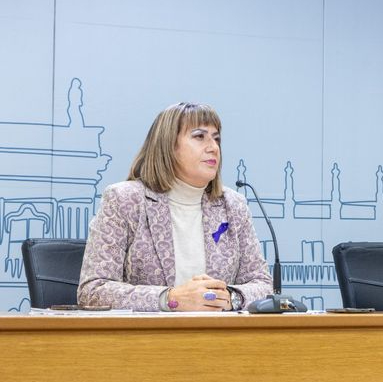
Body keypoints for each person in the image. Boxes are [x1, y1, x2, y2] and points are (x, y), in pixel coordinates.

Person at [78, 102, 272, 311]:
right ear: (168, 145)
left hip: (220, 338)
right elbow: (93, 291)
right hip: (147, 339)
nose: (213, 147)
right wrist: (171, 299)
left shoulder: (233, 205)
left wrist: (231, 297)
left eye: (216, 139)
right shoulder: (125, 200)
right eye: (199, 136)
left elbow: (262, 284)